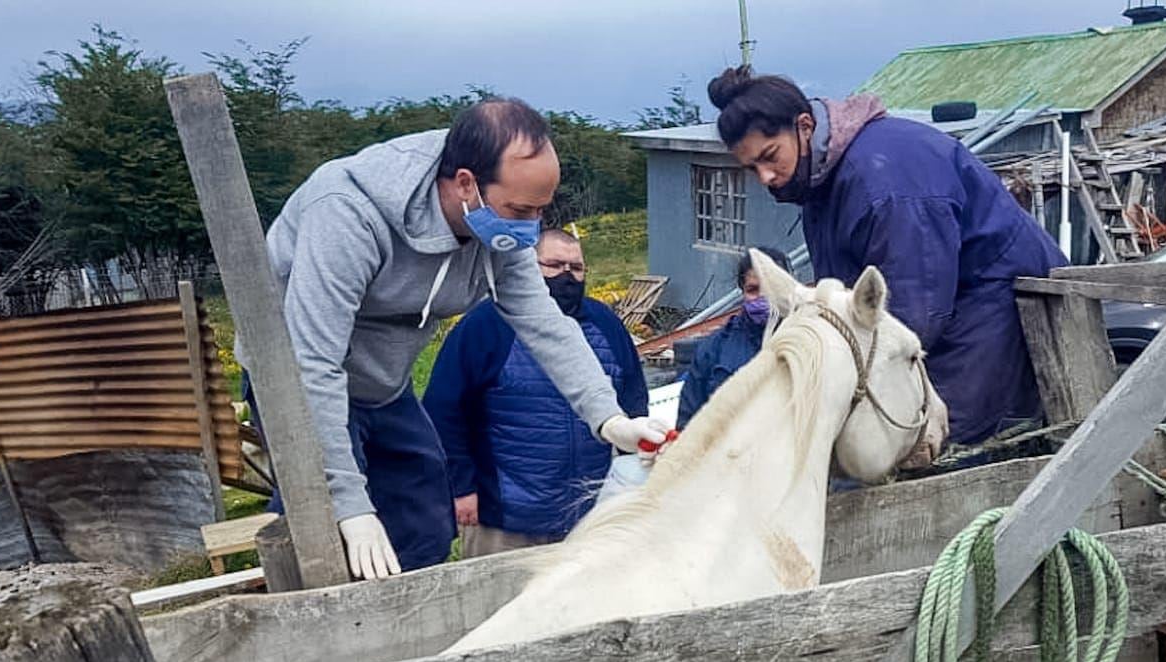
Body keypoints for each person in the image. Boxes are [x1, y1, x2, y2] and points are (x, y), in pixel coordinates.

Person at [240, 98, 665, 579]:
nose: (529, 227)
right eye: (520, 210)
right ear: (466, 184)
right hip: (299, 381)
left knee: (425, 521)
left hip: (384, 382)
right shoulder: (346, 213)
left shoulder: (500, 231)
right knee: (323, 533)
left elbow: (545, 324)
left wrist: (609, 419)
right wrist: (349, 507)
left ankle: (410, 629)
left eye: (540, 212)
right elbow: (311, 364)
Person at [706, 66, 1067, 449]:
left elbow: (913, 308)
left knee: (939, 445)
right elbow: (845, 295)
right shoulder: (818, 182)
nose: (765, 177)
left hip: (994, 301)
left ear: (806, 126)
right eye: (752, 168)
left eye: (770, 156)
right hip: (945, 308)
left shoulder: (884, 185)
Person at [424, 229, 649, 558]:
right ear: (530, 266)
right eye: (555, 265)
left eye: (577, 268)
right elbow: (444, 410)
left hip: (587, 517)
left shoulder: (606, 325)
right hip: (506, 518)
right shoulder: (486, 325)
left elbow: (633, 400)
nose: (567, 276)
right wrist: (461, 487)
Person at [676, 245, 792, 429]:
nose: (762, 298)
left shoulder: (807, 342)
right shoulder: (715, 348)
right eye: (753, 290)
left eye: (770, 289)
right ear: (742, 291)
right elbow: (688, 422)